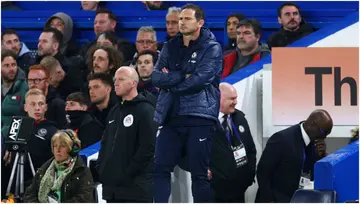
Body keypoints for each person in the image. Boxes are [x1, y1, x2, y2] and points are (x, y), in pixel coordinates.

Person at [151, 3, 222, 203]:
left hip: (199, 117)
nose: (181, 23)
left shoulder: (212, 47)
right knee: (159, 168)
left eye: (187, 19)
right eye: (180, 19)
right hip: (171, 116)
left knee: (200, 174)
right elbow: (156, 77)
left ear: (200, 22)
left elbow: (199, 81)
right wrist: (183, 75)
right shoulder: (169, 45)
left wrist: (170, 82)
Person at [97, 66, 157, 202]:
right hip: (112, 189)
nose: (116, 83)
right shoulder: (114, 111)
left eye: (121, 79)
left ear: (134, 83)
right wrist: (102, 168)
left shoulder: (145, 109)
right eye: (115, 80)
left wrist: (128, 172)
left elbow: (148, 147)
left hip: (135, 188)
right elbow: (106, 142)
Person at [255, 109, 333, 203]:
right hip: (276, 199)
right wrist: (269, 200)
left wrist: (322, 156)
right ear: (312, 124)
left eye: (327, 134)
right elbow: (262, 172)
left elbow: (315, 174)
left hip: (301, 199)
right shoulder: (282, 139)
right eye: (323, 132)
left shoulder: (316, 144)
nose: (324, 137)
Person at [209, 83, 257, 203]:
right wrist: (199, 169)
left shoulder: (239, 118)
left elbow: (250, 150)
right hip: (212, 192)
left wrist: (248, 177)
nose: (235, 102)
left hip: (237, 191)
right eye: (232, 98)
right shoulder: (202, 121)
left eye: (236, 98)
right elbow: (185, 153)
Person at [24, 129, 94, 203]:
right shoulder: (44, 169)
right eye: (55, 146)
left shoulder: (81, 171)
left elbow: (84, 198)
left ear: (73, 149)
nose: (58, 150)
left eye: (62, 146)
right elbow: (30, 194)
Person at [1, 49, 28, 135]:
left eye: (13, 65)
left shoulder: (25, 87)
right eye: (6, 66)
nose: (11, 69)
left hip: (14, 135)